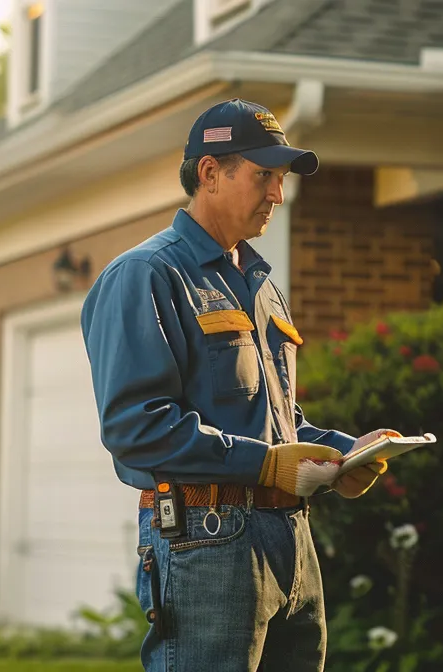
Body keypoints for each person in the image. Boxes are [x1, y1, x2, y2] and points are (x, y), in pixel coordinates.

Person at [80, 98, 391, 671]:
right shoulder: (146, 275)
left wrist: (345, 454)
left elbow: (276, 422)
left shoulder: (258, 283)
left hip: (291, 540)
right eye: (263, 176)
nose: (278, 193)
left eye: (281, 179)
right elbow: (135, 428)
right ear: (210, 173)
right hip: (206, 542)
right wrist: (264, 465)